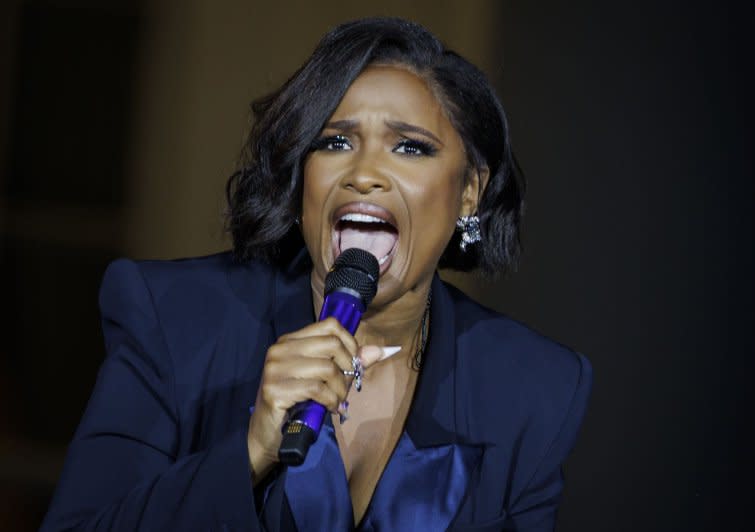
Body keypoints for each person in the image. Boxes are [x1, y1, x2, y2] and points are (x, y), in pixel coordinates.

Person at [41, 17, 591, 532]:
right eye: (335, 142)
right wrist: (249, 453)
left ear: (469, 189)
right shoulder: (174, 317)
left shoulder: (535, 388)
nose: (365, 173)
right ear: (303, 178)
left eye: (409, 147)